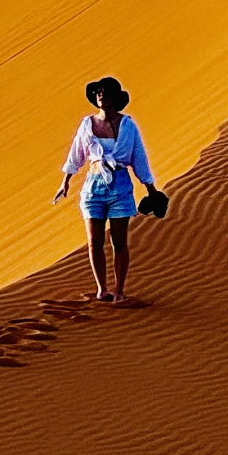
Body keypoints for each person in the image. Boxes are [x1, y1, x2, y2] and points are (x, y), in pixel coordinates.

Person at [53, 76, 158, 302]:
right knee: (94, 241)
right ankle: (102, 289)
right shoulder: (87, 124)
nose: (101, 95)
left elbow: (139, 157)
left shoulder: (128, 126)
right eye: (98, 92)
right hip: (92, 187)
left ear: (115, 98)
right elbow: (76, 154)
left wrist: (150, 188)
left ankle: (119, 290)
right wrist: (65, 181)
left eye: (106, 92)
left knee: (118, 241)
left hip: (120, 186)